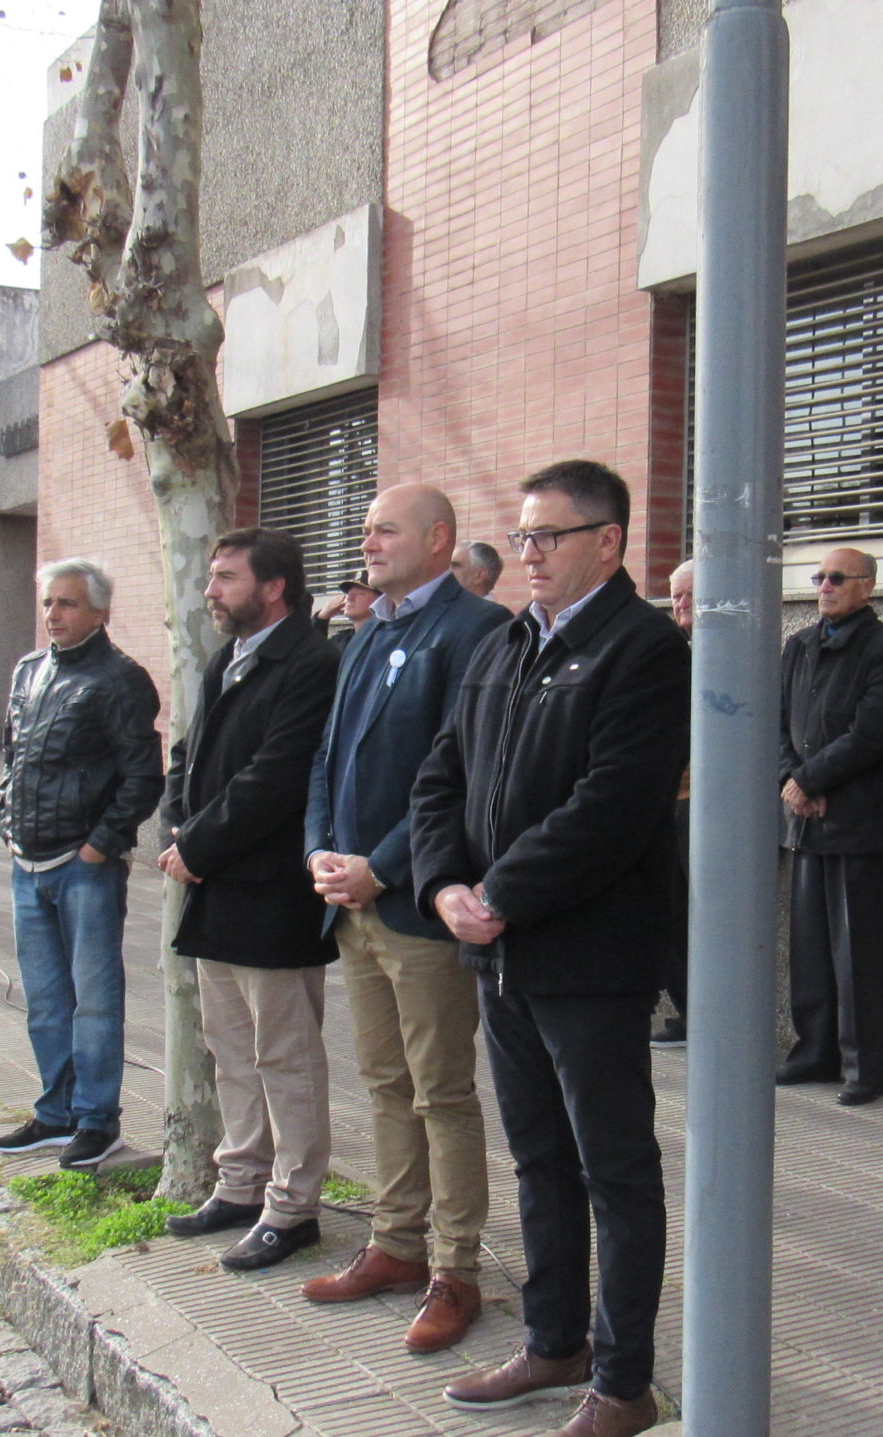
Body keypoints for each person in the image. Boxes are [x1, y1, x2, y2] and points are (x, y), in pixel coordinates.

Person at [411, 461, 686, 1437]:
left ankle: (623, 1384)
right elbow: (438, 776)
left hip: (590, 957)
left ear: (607, 542)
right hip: (497, 952)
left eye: (547, 538)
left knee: (613, 1168)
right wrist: (444, 884)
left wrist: (500, 893)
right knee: (536, 1158)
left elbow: (614, 805)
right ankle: (554, 1340)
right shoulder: (507, 642)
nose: (526, 555)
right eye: (520, 537)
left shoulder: (645, 648)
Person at [299, 483, 509, 1352]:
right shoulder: (365, 632)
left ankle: (457, 1271)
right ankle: (394, 1242)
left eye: (385, 528)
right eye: (365, 529)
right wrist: (319, 848)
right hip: (348, 905)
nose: (368, 541)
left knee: (441, 1091)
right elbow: (327, 754)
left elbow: (457, 774)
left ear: (439, 538)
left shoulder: (476, 633)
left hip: (417, 907)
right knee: (385, 1085)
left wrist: (379, 866)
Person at [155, 528, 342, 1271]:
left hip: (270, 895)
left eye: (226, 577)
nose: (211, 590)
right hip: (212, 890)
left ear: (274, 587)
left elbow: (277, 777)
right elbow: (186, 753)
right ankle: (239, 1183)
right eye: (211, 576)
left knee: (284, 1055)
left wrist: (196, 847)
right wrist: (177, 825)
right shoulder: (222, 658)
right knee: (230, 1051)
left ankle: (293, 1207)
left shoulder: (311, 662)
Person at [0, 559, 162, 1172]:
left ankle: (96, 1119)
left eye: (65, 604)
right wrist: (6, 818)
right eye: (48, 604)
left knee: (94, 996)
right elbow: (15, 752)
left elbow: (144, 774)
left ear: (99, 612)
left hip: (83, 864)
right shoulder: (29, 671)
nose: (53, 615)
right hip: (26, 859)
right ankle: (54, 1112)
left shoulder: (120, 678)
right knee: (43, 997)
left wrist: (101, 843)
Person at [777, 548, 883, 1106]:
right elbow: (778, 722)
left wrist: (811, 780)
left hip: (859, 820)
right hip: (806, 821)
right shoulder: (799, 645)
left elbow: (874, 731)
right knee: (809, 944)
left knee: (858, 948)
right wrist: (792, 779)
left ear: (868, 587)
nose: (826, 586)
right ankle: (815, 1051)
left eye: (838, 578)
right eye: (819, 578)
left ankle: (864, 1066)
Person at [653, 558, 695, 1047]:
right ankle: (686, 1007)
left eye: (691, 595)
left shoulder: (733, 653)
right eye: (676, 596)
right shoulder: (670, 650)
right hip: (669, 799)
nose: (681, 605)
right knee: (671, 911)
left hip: (708, 804)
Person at [327, 572, 376, 650]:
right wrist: (322, 618)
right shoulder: (341, 640)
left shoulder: (383, 640)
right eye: (348, 593)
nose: (349, 598)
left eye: (360, 593)